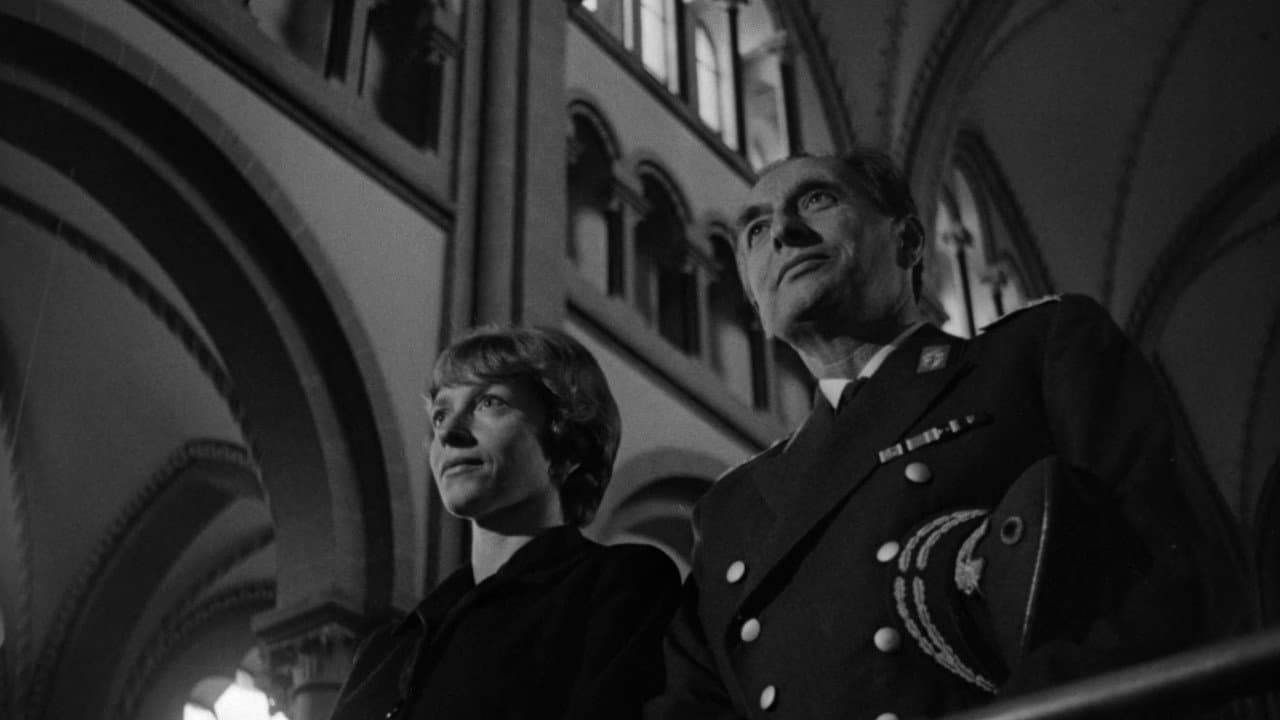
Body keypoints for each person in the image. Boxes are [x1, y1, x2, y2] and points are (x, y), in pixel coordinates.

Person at [656, 150, 1245, 719]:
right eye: (756, 231)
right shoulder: (730, 511)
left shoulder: (1038, 355)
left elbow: (1182, 580)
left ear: (909, 242)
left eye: (816, 200)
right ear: (754, 297)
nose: (783, 231)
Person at [329, 326, 681, 720]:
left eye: (488, 403)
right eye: (441, 414)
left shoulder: (620, 586)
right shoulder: (385, 651)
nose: (448, 432)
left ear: (569, 445)